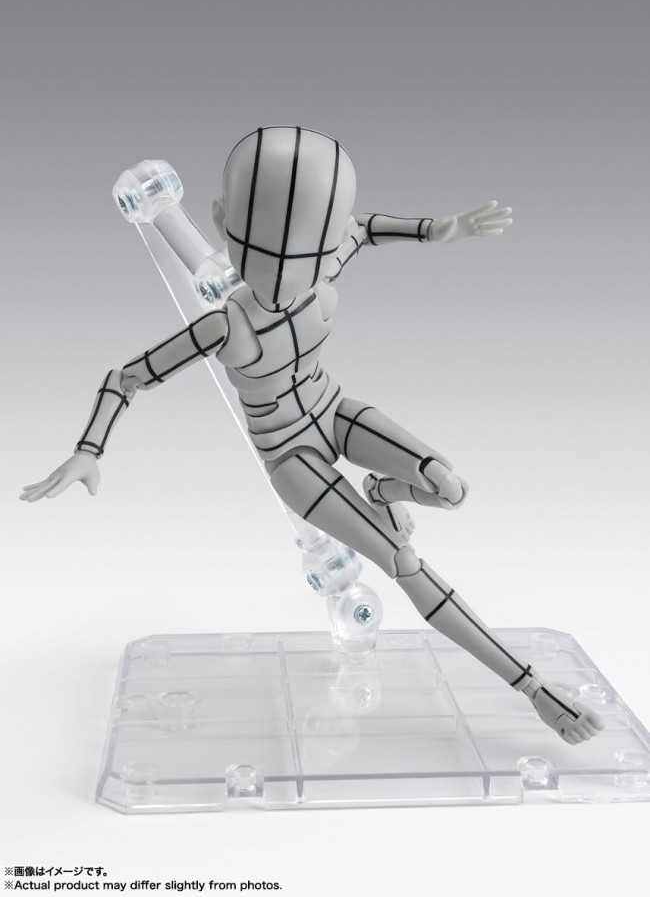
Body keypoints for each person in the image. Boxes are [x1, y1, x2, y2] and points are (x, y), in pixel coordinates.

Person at [21, 125, 603, 745]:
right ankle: (535, 690)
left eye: (305, 254)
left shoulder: (322, 267)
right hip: (289, 453)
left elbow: (366, 228)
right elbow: (128, 376)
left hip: (334, 411)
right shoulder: (226, 325)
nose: (285, 275)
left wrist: (444, 228)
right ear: (222, 222)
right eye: (268, 252)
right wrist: (87, 452)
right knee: (404, 562)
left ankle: (381, 493)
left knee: (450, 488)